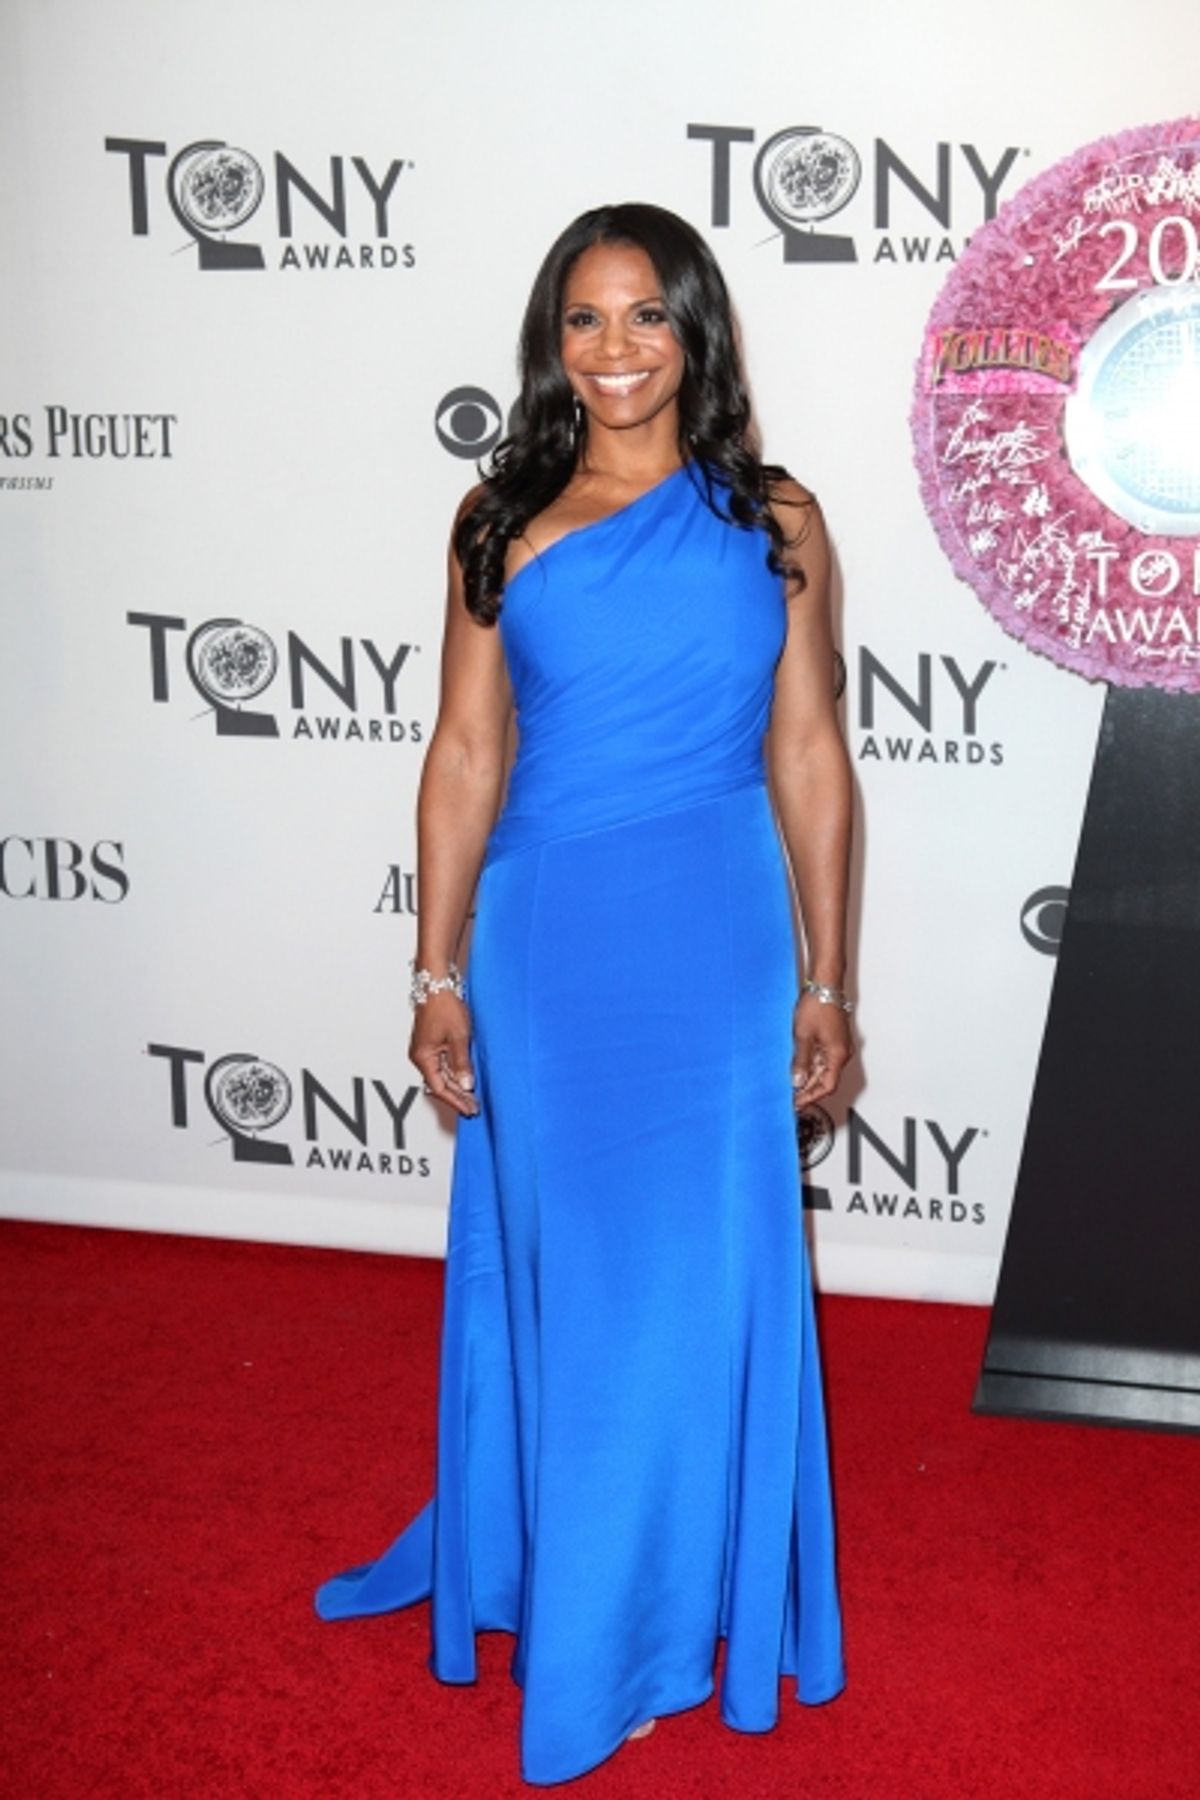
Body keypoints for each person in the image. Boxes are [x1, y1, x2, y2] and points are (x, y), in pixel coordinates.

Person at [315, 201, 853, 1786]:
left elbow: (810, 752)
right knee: (587, 1282)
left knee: (705, 1282)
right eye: (582, 320)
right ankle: (601, 1621)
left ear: (700, 331)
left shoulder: (777, 517)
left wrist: (828, 976)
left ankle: (672, 1600)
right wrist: (433, 966)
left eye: (646, 317)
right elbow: (466, 753)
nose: (614, 351)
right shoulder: (502, 517)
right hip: (551, 939)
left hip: (718, 933)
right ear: (551, 344)